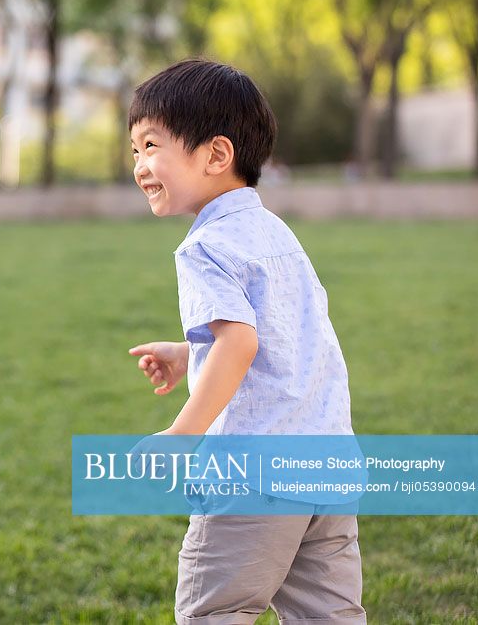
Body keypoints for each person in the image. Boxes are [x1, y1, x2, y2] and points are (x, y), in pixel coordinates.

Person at [125, 58, 367, 624]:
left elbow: (240, 345)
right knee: (328, 615)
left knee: (215, 611)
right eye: (135, 150)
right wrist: (192, 351)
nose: (139, 165)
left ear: (215, 155)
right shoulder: (274, 232)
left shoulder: (204, 246)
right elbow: (280, 332)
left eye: (152, 145)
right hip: (327, 462)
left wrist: (182, 433)